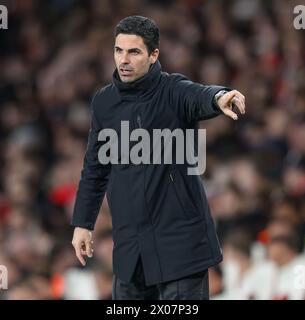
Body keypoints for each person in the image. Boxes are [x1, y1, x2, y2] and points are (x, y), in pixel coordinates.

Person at [71, 15, 246, 300]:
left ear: (154, 55)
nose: (123, 59)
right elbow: (95, 167)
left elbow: (200, 96)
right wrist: (83, 223)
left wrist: (220, 97)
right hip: (131, 253)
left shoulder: (173, 90)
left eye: (134, 51)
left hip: (181, 250)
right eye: (119, 50)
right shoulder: (104, 102)